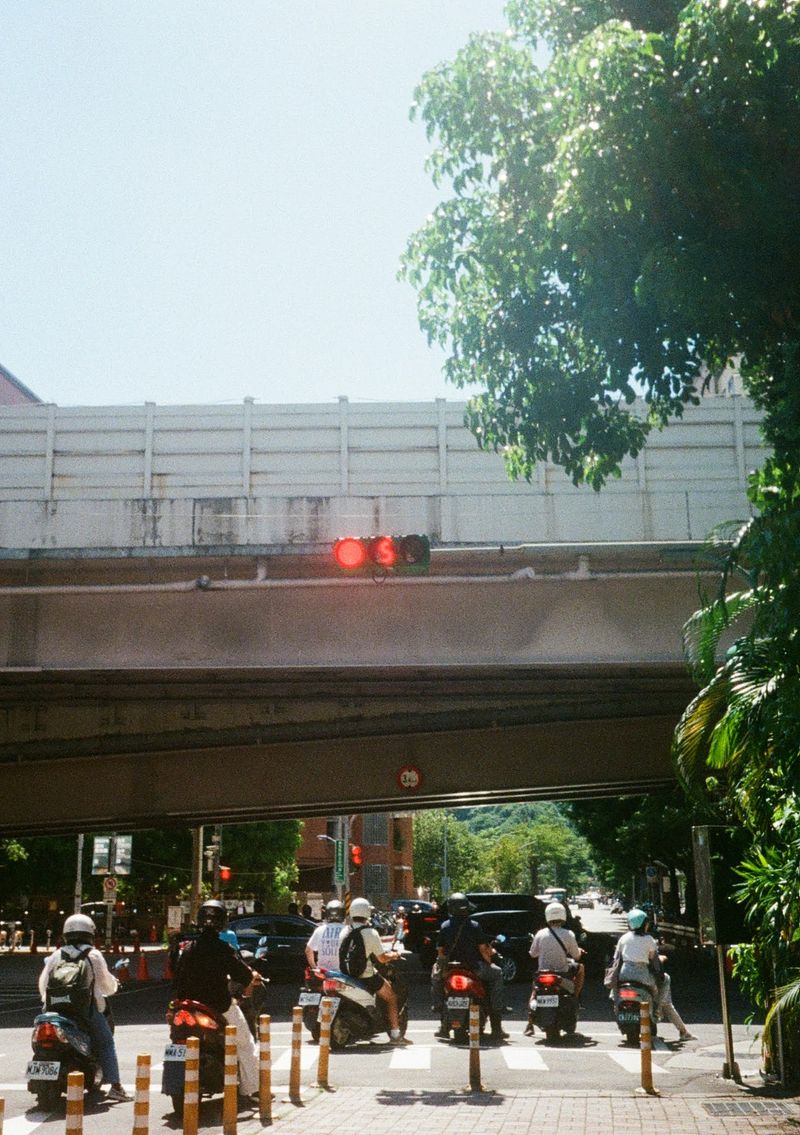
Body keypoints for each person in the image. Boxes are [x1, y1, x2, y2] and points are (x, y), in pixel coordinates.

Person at [174, 900, 263, 1100]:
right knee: (246, 1043)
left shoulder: (188, 948)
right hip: (218, 1007)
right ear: (222, 922)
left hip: (186, 1006)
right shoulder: (223, 949)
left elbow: (176, 977)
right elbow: (244, 976)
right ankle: (252, 1089)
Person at [38, 913, 131, 1103]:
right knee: (106, 1043)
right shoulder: (93, 955)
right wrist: (115, 985)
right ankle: (115, 1086)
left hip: (54, 1011)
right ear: (90, 932)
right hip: (85, 1011)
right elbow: (106, 985)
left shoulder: (57, 955)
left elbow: (42, 984)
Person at [434, 892, 507, 1044]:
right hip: (474, 968)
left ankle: (440, 1014)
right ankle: (496, 1024)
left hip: (450, 969)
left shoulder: (445, 926)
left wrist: (443, 967)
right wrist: (490, 961)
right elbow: (483, 949)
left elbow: (440, 951)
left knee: (436, 979)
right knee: (498, 974)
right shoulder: (474, 926)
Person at [611, 908, 694, 1042]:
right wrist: (660, 962)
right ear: (644, 924)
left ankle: (616, 1004)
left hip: (624, 974)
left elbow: (616, 959)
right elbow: (654, 962)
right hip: (642, 976)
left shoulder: (623, 938)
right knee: (666, 979)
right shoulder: (649, 939)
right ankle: (656, 1009)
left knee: (616, 991)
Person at [339, 896, 411, 1045]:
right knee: (391, 997)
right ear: (367, 913)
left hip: (346, 975)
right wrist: (395, 955)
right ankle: (396, 1035)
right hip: (366, 976)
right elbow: (382, 958)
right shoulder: (370, 933)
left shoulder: (345, 930)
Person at [527, 901, 585, 1035]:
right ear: (563, 916)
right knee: (581, 968)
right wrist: (579, 951)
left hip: (542, 974)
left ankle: (529, 1023)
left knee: (534, 992)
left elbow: (532, 954)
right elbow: (576, 956)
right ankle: (575, 997)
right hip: (562, 975)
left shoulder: (540, 934)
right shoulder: (569, 934)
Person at [305, 899, 347, 970]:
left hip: (323, 974)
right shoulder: (347, 930)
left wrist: (314, 968)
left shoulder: (319, 930)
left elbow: (308, 950)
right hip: (341, 975)